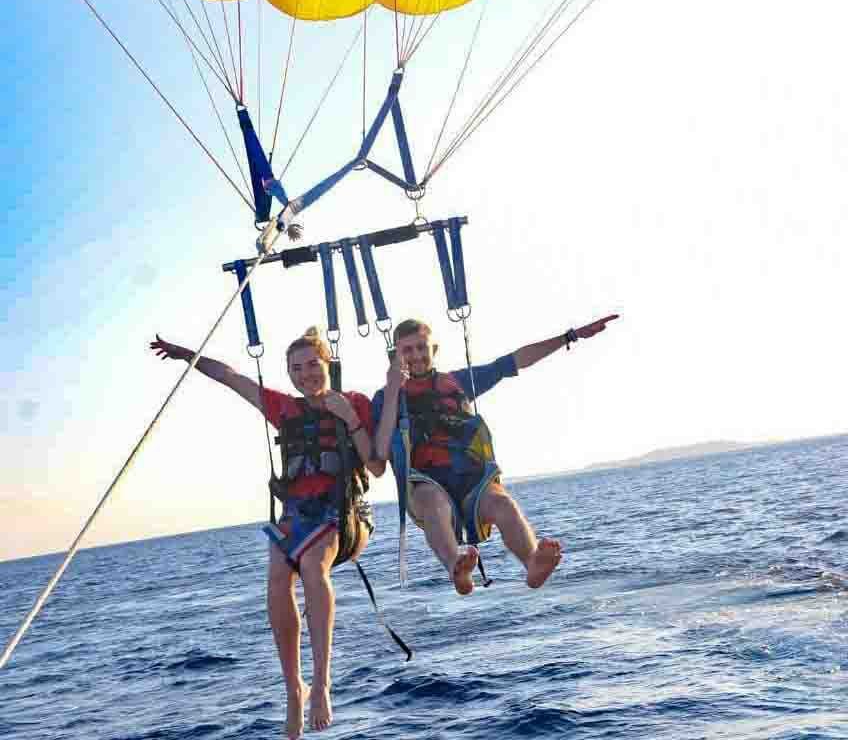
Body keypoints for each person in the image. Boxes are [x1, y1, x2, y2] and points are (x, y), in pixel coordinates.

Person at [151, 328, 385, 740]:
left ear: (326, 362)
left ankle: (322, 684)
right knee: (277, 579)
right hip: (297, 514)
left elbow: (377, 466)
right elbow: (229, 376)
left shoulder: (356, 403)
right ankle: (295, 689)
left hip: (345, 514)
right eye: (296, 369)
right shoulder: (283, 408)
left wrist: (349, 420)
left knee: (313, 566)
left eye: (312, 364)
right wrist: (185, 353)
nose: (305, 374)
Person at [374, 315, 618, 595]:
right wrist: (394, 388)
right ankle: (457, 567)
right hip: (424, 484)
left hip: (471, 480)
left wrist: (569, 336)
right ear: (395, 355)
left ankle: (532, 562)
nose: (416, 356)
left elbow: (513, 362)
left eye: (422, 348)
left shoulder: (459, 382)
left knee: (503, 504)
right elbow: (380, 453)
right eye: (408, 350)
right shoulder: (385, 398)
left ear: (434, 350)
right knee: (433, 504)